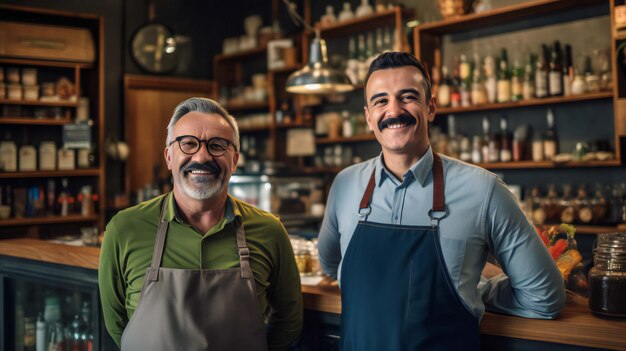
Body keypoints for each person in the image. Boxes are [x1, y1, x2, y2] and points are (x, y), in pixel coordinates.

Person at [317, 52, 565, 350]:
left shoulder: (483, 190)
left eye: (407, 97)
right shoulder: (344, 184)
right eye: (381, 101)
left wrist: (476, 289)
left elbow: (544, 297)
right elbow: (329, 265)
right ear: (369, 117)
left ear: (431, 107)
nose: (394, 110)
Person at [99, 97, 302, 350]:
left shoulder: (270, 230)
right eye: (188, 144)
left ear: (235, 160)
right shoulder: (124, 229)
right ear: (169, 156)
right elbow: (116, 323)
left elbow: (289, 319)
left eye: (217, 145)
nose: (202, 156)